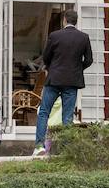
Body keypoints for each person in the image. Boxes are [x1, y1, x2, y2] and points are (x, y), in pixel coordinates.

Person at [33, 9, 93, 157]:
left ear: (64, 20)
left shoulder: (55, 35)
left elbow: (46, 57)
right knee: (67, 116)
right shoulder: (84, 37)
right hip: (72, 81)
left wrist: (51, 68)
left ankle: (39, 146)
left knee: (44, 112)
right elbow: (89, 60)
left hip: (54, 79)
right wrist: (77, 69)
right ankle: (66, 150)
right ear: (76, 21)